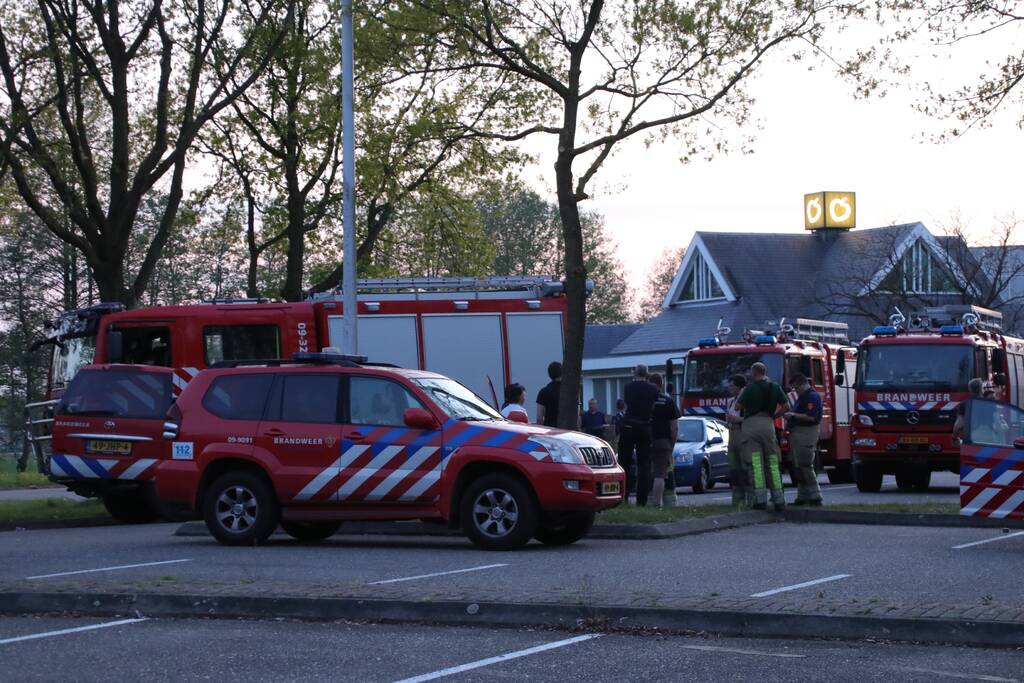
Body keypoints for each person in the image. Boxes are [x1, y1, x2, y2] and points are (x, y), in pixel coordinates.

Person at [736, 362, 789, 510]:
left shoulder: (750, 388)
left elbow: (737, 406)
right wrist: (774, 416)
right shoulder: (775, 387)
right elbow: (786, 406)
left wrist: (742, 394)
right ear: (765, 372)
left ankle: (760, 499)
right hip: (768, 425)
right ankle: (779, 498)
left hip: (751, 426)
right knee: (772, 461)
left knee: (756, 463)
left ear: (754, 373)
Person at [619, 363, 659, 506]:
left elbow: (627, 402)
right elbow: (654, 402)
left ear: (635, 373)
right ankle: (641, 500)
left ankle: (623, 496)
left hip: (629, 425)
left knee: (624, 461)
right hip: (644, 426)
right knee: (644, 464)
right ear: (647, 374)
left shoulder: (628, 387)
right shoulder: (652, 388)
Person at [784, 373, 823, 506]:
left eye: (796, 387)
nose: (795, 391)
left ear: (803, 384)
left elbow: (811, 416)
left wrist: (792, 415)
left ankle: (815, 496)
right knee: (798, 466)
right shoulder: (803, 396)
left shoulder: (812, 396)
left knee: (805, 464)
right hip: (798, 433)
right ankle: (802, 497)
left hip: (806, 433)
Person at [649, 373, 680, 507]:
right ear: (661, 384)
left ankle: (646, 502)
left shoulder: (643, 400)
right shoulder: (668, 401)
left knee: (646, 471)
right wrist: (671, 444)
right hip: (663, 441)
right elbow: (674, 427)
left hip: (645, 441)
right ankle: (658, 503)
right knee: (660, 473)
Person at [725, 374, 750, 507]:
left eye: (732, 386)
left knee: (745, 467)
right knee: (734, 467)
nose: (729, 388)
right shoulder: (730, 401)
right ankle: (737, 499)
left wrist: (738, 419)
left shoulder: (746, 400)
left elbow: (750, 419)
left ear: (740, 387)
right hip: (732, 433)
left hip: (742, 433)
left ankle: (749, 497)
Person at [535, 361, 562, 427]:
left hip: (550, 429)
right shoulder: (569, 391)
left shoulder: (543, 392)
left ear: (549, 374)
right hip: (568, 430)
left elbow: (539, 418)